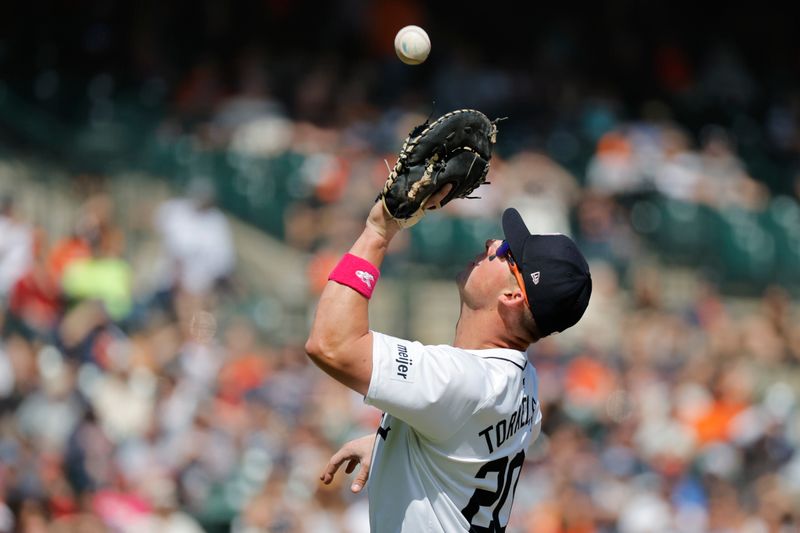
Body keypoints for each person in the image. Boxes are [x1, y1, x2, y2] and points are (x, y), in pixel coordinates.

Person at [305, 191, 592, 532]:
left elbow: (331, 345)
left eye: (505, 252)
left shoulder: (462, 380)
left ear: (513, 295)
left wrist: (378, 232)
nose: (491, 243)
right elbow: (466, 440)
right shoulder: (521, 381)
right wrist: (396, 447)